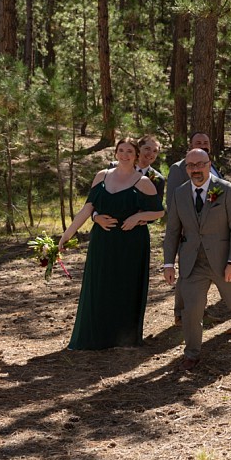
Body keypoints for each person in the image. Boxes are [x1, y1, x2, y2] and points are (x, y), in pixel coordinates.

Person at [162, 148, 231, 371]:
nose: (196, 169)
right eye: (191, 165)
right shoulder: (179, 193)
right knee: (191, 310)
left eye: (200, 164)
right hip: (192, 262)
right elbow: (172, 231)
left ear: (209, 164)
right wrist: (169, 263)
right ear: (186, 168)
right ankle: (192, 353)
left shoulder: (226, 190)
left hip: (223, 261)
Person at [59, 138, 164, 349]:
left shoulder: (144, 181)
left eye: (129, 151)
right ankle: (96, 336)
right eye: (121, 150)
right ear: (115, 153)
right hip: (103, 241)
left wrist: (136, 218)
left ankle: (123, 338)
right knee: (99, 285)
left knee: (125, 286)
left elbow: (160, 212)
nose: (125, 155)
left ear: (136, 156)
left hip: (131, 243)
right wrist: (66, 235)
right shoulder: (101, 176)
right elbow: (87, 209)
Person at [166, 132, 222, 326]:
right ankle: (180, 314)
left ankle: (200, 310)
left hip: (211, 232)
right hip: (188, 230)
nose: (203, 145)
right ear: (190, 146)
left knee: (202, 273)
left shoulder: (212, 167)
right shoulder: (178, 168)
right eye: (198, 142)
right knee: (187, 273)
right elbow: (173, 201)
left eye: (206, 142)